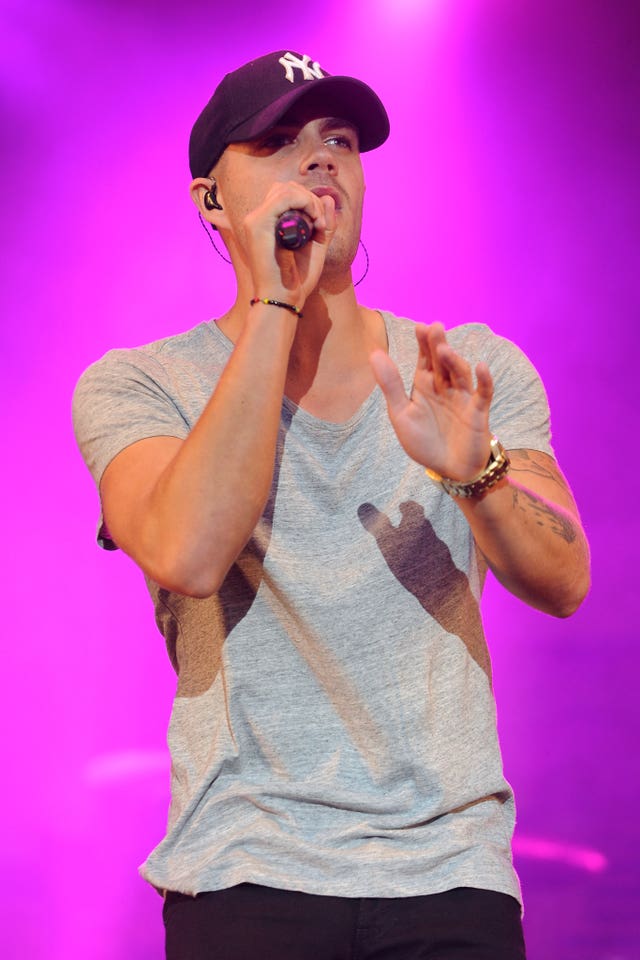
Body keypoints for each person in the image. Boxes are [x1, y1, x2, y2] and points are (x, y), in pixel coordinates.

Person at [73, 50, 590, 960]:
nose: (319, 159)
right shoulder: (143, 384)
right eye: (278, 141)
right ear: (211, 201)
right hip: (246, 871)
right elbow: (189, 552)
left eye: (339, 141)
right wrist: (276, 300)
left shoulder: (462, 367)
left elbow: (566, 581)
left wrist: (476, 474)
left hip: (450, 874)